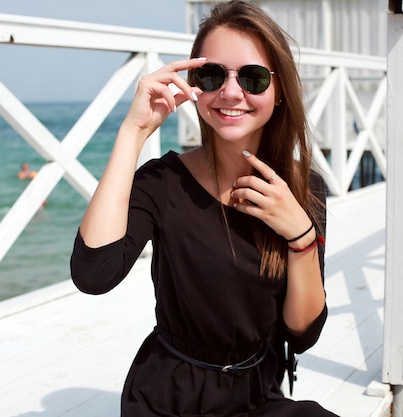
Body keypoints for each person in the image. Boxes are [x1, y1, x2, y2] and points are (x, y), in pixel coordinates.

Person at [70, 1, 336, 416]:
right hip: (168, 396)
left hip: (257, 395)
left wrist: (300, 236)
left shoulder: (303, 189)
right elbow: (93, 274)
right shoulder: (163, 181)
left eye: (253, 78)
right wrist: (133, 131)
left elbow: (301, 334)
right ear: (193, 85)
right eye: (212, 76)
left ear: (279, 90)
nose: (231, 93)